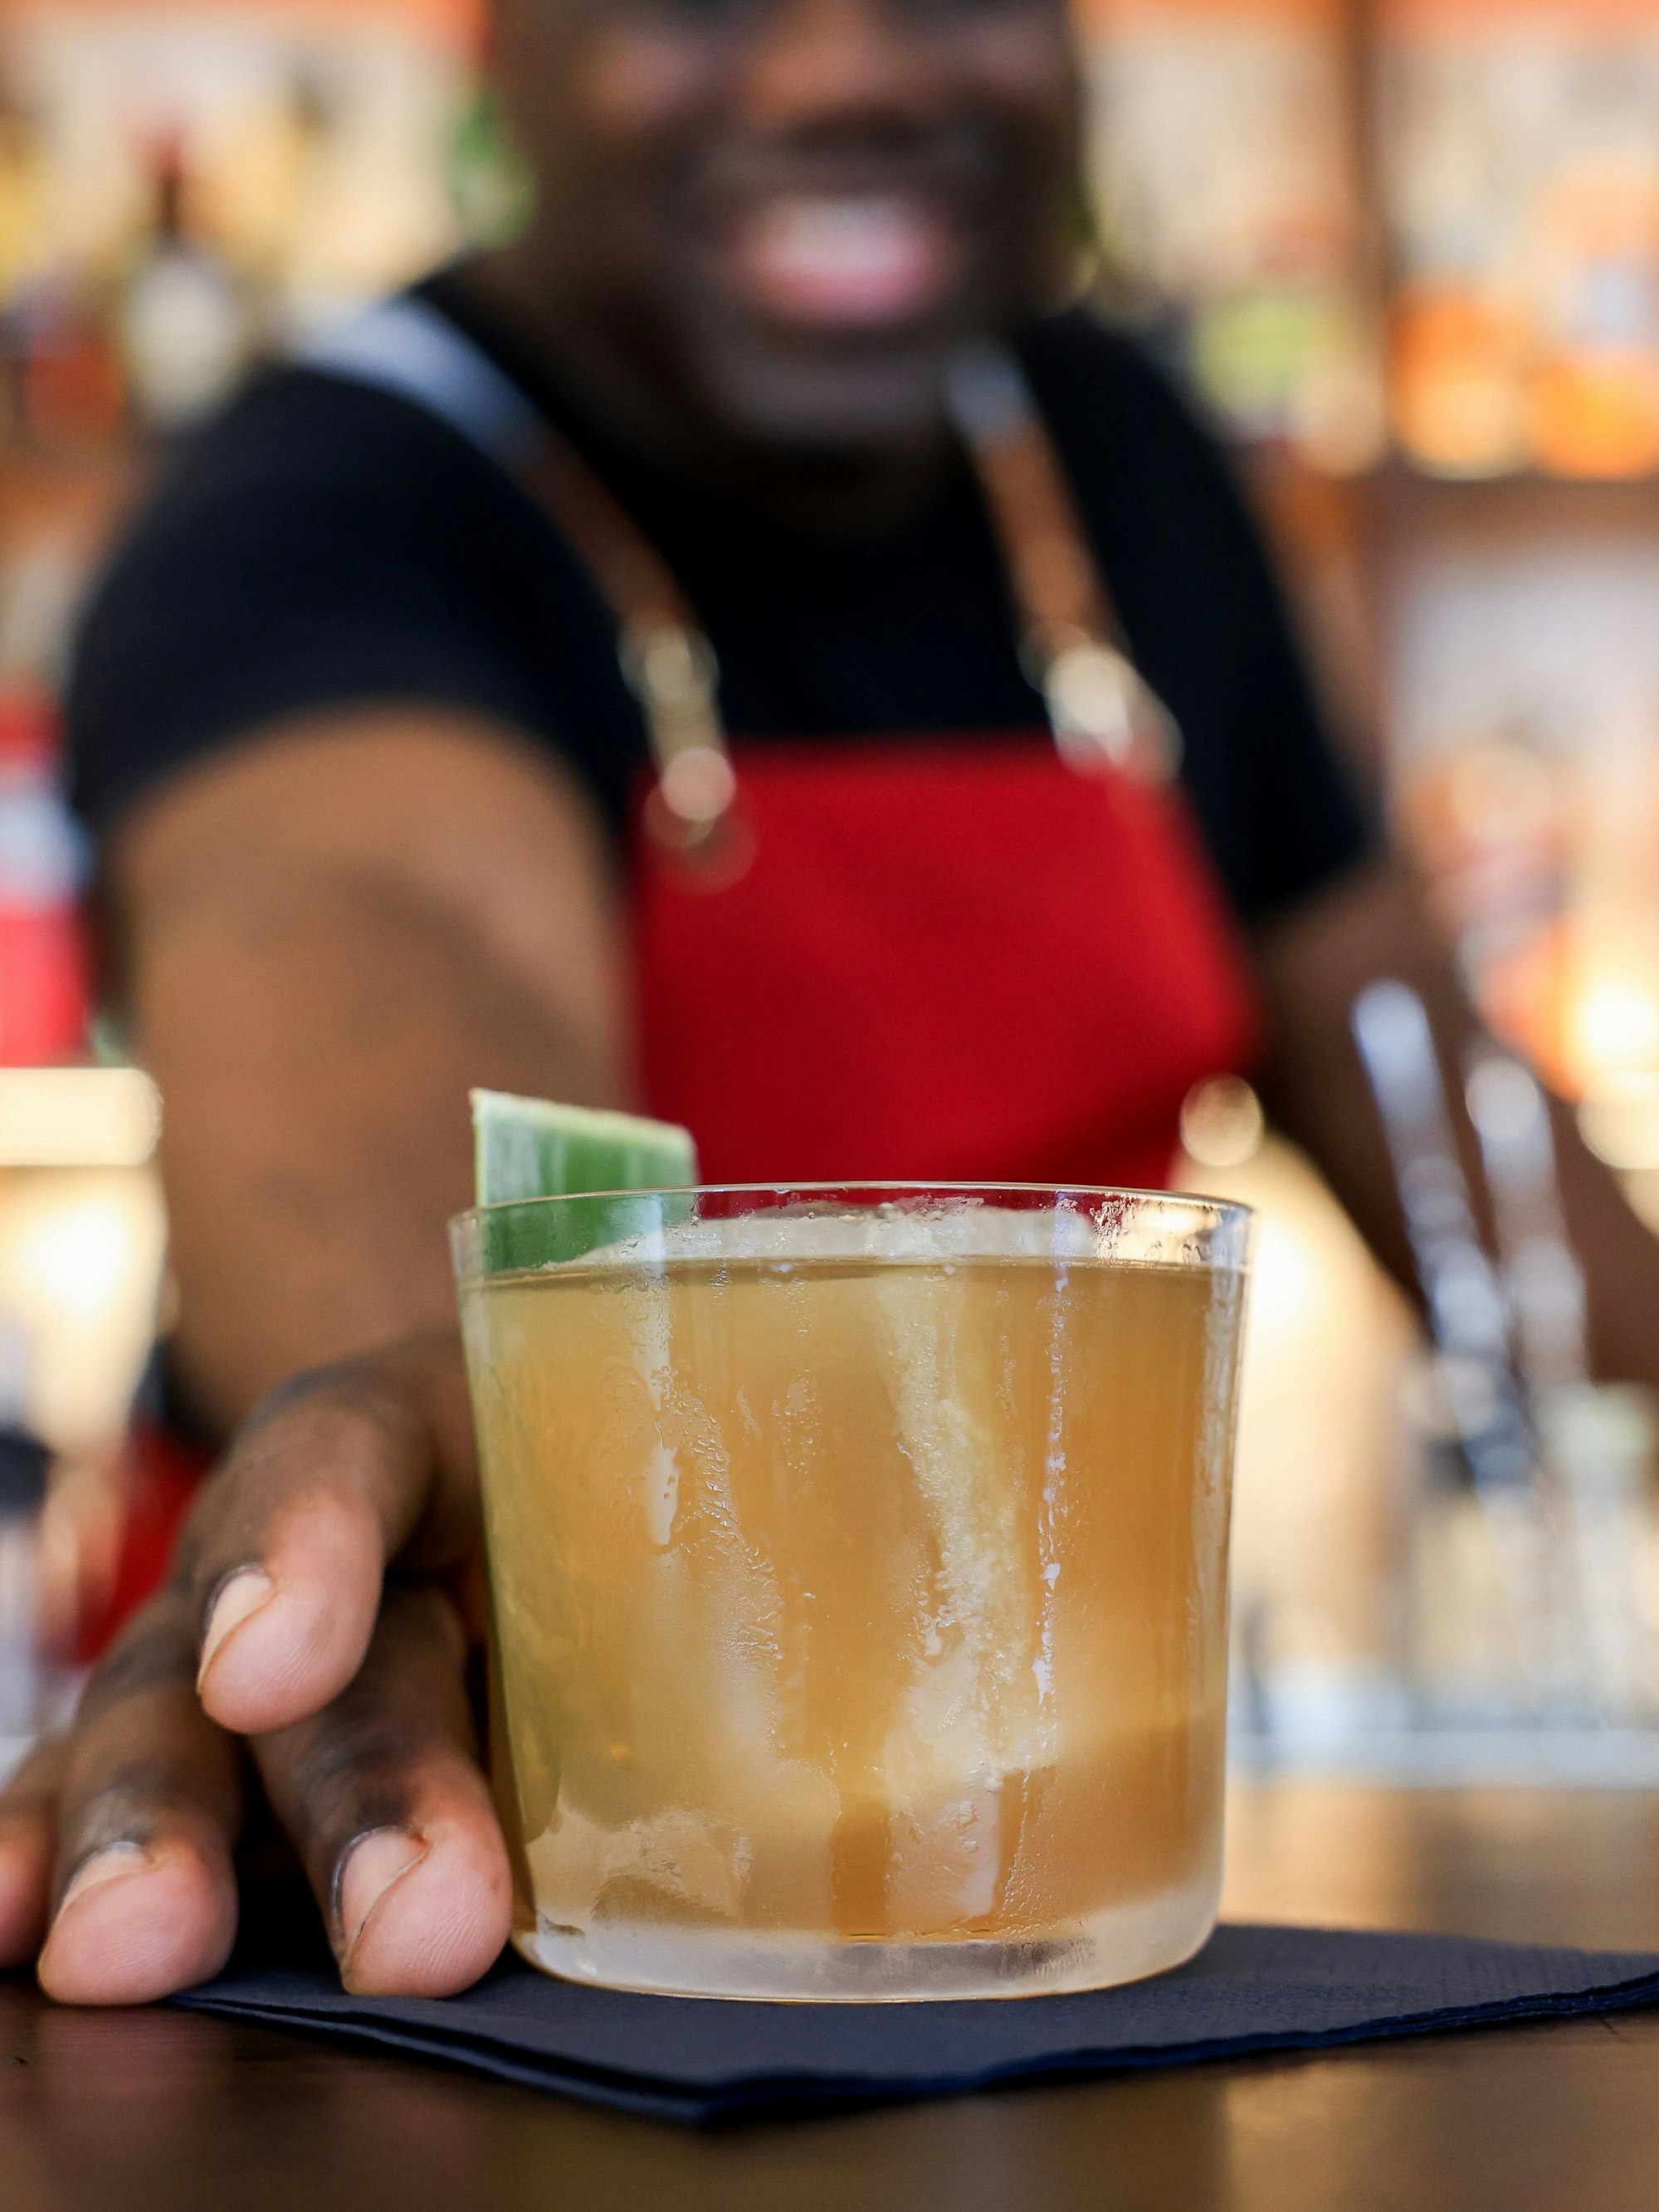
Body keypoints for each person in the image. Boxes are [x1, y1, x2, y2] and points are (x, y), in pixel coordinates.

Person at [5, 0, 1659, 2008]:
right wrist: (457, 1435)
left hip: (1042, 1815)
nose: (840, 76)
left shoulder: (1116, 454)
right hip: (492, 1843)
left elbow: (1467, 1153)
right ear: (494, 60)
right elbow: (386, 1121)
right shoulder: (318, 513)